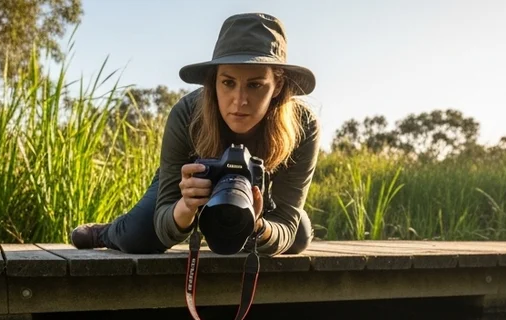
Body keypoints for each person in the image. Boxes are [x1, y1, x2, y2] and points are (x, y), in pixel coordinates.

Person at [70, 13, 320, 257]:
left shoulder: (303, 125)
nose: (239, 100)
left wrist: (257, 226)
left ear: (277, 85)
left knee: (299, 236)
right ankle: (107, 233)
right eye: (228, 83)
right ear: (213, 81)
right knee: (136, 235)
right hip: (190, 191)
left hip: (253, 201)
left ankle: (235, 231)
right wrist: (186, 206)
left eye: (255, 85)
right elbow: (164, 218)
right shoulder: (186, 114)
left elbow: (286, 224)